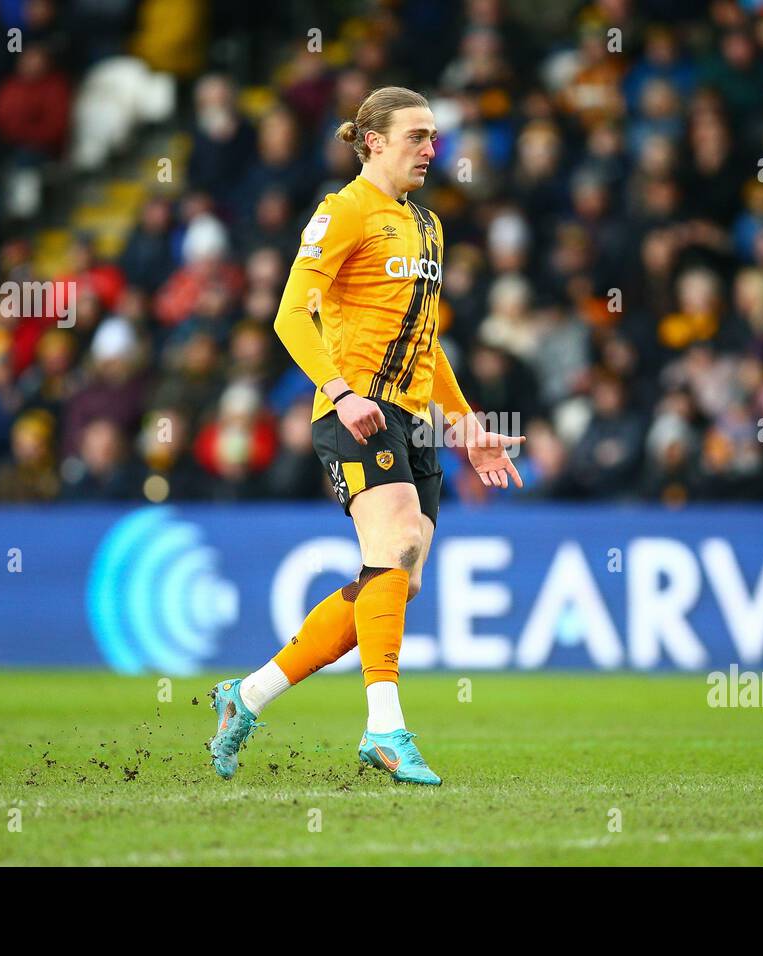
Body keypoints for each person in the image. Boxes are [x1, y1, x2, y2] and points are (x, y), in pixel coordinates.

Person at [208, 87, 525, 785]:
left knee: (396, 580)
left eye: (435, 137)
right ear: (374, 141)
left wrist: (467, 422)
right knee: (401, 539)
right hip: (357, 412)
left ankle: (247, 696)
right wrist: (341, 392)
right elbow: (291, 315)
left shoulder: (430, 226)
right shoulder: (343, 210)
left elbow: (426, 341)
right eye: (417, 136)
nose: (432, 151)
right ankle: (385, 728)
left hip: (412, 422)